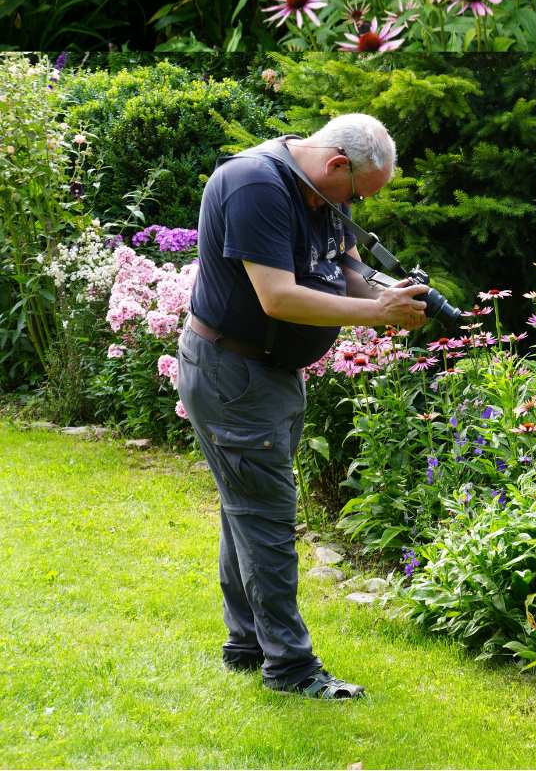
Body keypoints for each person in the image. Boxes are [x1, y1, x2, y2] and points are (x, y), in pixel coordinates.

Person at [175, 114, 429, 700]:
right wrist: (377, 316)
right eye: (357, 193)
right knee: (266, 519)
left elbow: (339, 269)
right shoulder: (255, 184)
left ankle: (246, 643)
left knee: (247, 507)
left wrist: (388, 295)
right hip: (234, 372)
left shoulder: (318, 193)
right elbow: (278, 295)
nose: (354, 207)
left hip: (268, 374)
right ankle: (290, 668)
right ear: (336, 164)